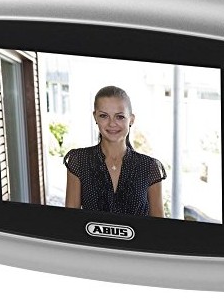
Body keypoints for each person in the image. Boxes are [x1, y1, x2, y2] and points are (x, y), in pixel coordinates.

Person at [64, 86, 166, 217]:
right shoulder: (78, 160)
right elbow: (71, 220)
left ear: (131, 119)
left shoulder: (149, 167)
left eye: (120, 117)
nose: (112, 123)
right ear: (95, 117)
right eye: (104, 116)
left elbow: (158, 226)